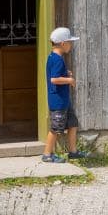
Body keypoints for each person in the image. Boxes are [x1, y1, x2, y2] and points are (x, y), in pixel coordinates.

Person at [42, 26, 87, 163]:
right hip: (58, 101)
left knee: (73, 123)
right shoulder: (57, 59)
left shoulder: (54, 57)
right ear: (63, 44)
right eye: (70, 42)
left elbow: (56, 74)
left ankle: (73, 151)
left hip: (64, 100)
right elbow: (54, 79)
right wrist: (69, 80)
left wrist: (65, 74)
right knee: (56, 128)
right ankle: (47, 154)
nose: (71, 45)